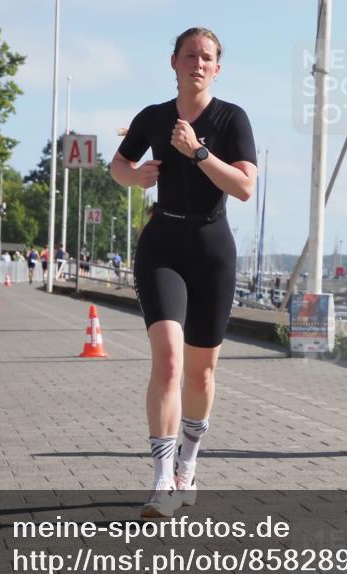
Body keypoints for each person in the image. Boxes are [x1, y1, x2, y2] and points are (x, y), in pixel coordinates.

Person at [110, 27, 257, 518]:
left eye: (207, 57)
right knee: (169, 362)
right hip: (162, 246)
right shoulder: (153, 117)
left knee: (202, 372)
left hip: (212, 249)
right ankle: (160, 481)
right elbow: (118, 164)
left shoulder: (232, 119)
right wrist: (135, 176)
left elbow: (243, 188)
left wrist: (198, 152)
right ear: (173, 61)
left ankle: (188, 465)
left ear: (218, 68)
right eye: (190, 54)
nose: (198, 62)